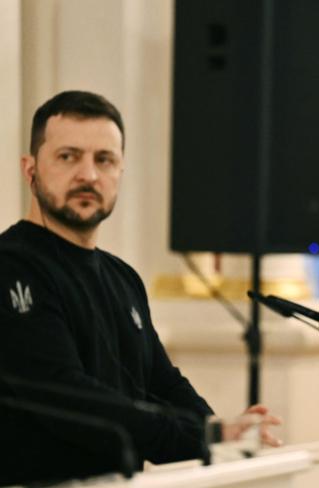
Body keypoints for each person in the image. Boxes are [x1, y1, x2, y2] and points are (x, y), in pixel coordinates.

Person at [0, 91, 279, 483]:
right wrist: (204, 437)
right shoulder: (12, 265)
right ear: (30, 169)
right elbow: (64, 394)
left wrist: (218, 429)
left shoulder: (123, 277)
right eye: (68, 157)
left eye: (104, 160)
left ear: (120, 172)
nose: (88, 175)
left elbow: (160, 383)